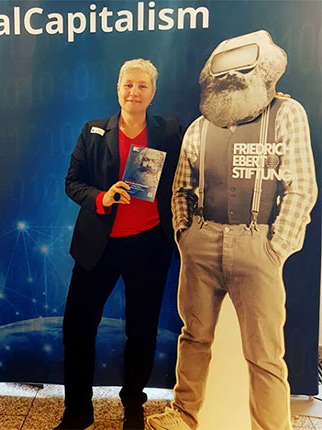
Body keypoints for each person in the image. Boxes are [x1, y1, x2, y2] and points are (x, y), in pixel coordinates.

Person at [146, 30, 318, 430]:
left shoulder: (286, 114)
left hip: (257, 244)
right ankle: (183, 414)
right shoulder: (198, 127)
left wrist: (276, 247)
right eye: (222, 70)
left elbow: (302, 186)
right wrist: (186, 235)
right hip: (201, 242)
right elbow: (181, 188)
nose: (230, 77)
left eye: (241, 67)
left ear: (265, 68)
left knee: (265, 353)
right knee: (194, 337)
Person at [54, 59, 182, 430]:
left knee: (141, 331)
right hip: (99, 246)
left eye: (142, 86)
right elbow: (72, 182)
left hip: (149, 246)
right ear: (117, 88)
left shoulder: (170, 131)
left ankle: (133, 406)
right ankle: (78, 411)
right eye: (128, 84)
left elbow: (209, 140)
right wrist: (102, 197)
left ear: (153, 92)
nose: (134, 92)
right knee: (77, 328)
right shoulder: (93, 130)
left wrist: (270, 104)